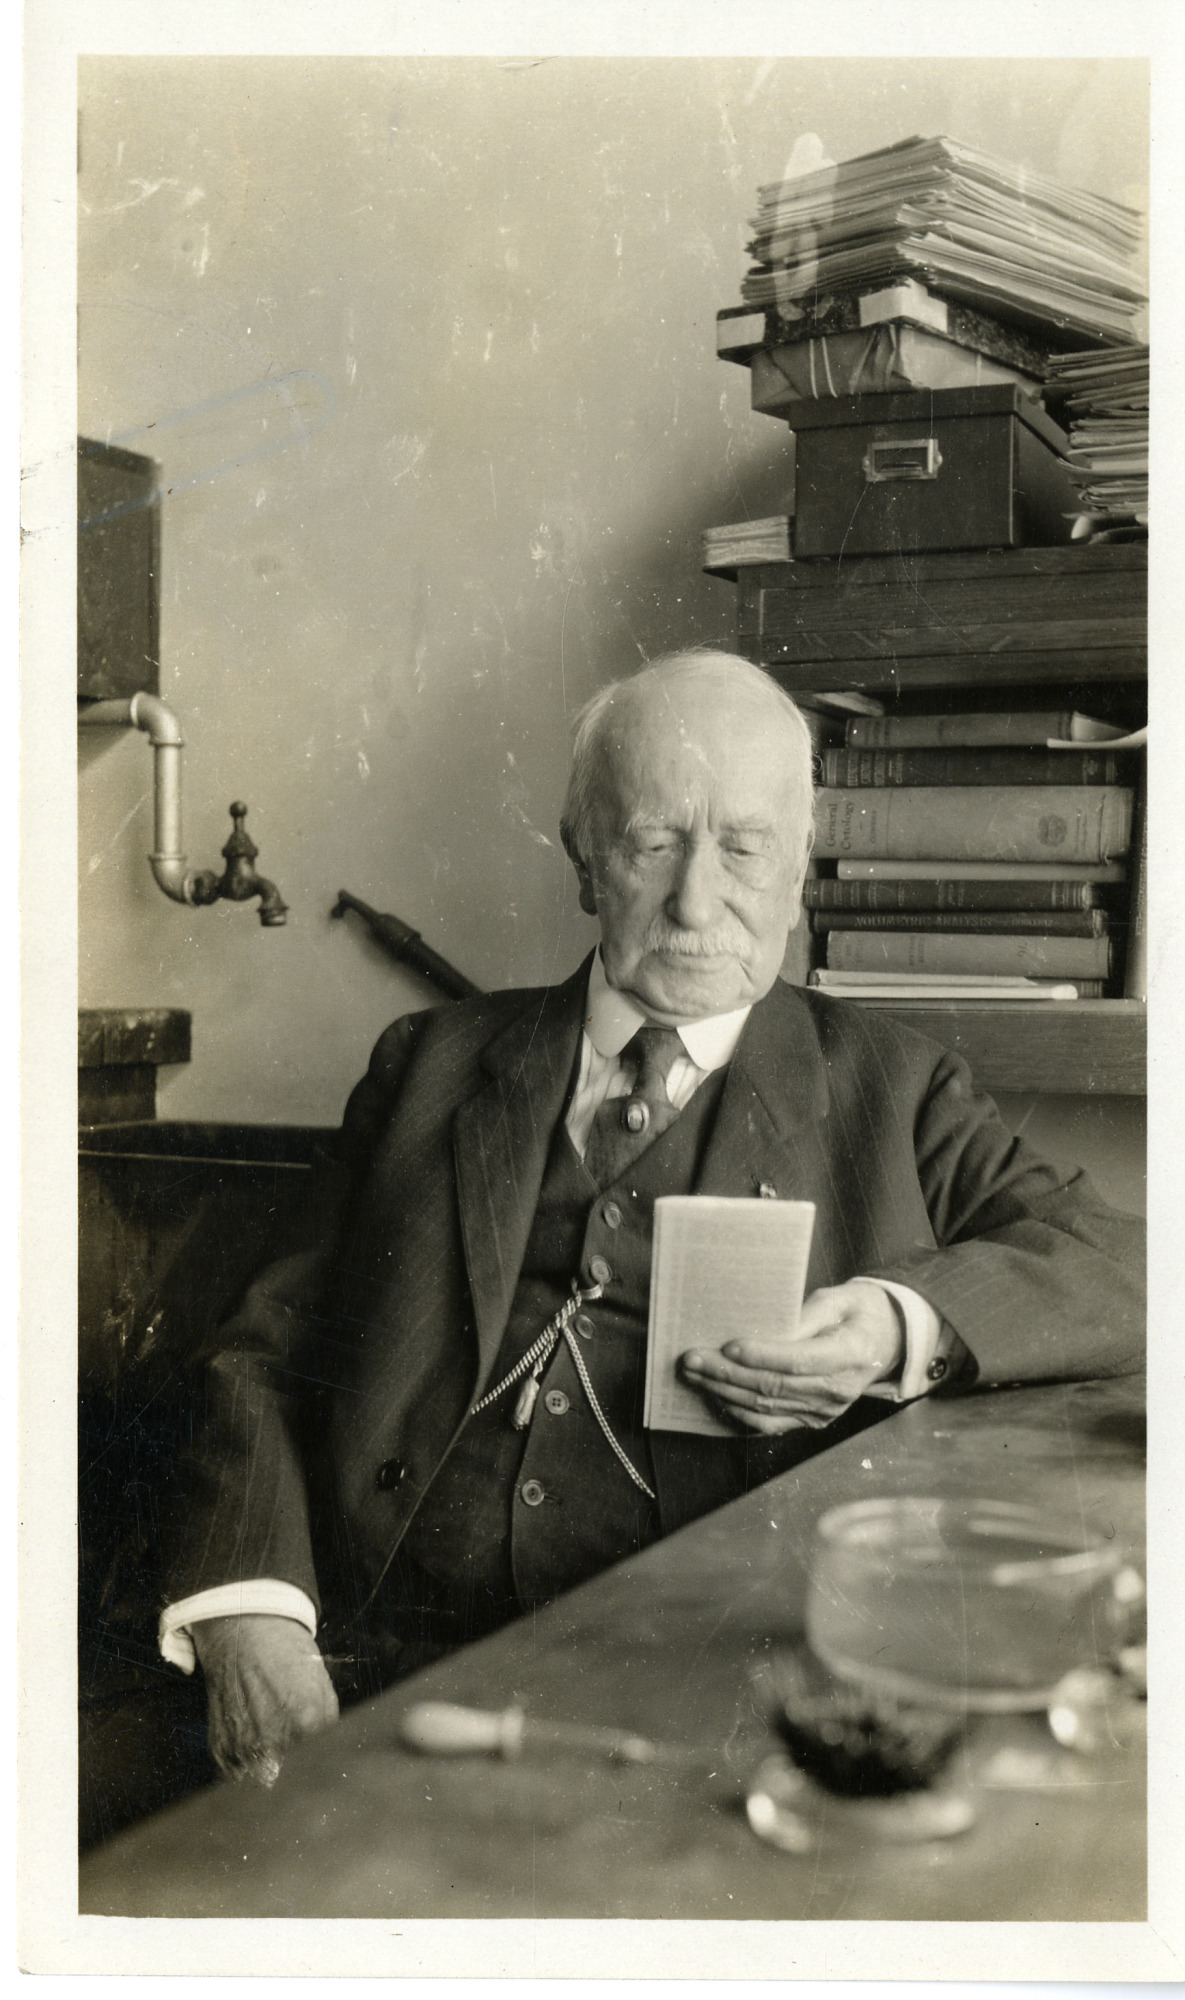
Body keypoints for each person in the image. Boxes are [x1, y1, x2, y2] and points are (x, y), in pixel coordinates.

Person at [161, 650, 1144, 1785]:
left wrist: (894, 1324)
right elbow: (264, 1351)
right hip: (375, 1661)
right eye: (653, 843)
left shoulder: (897, 1088)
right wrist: (251, 1618)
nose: (695, 901)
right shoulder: (426, 1064)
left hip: (706, 1692)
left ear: (800, 868)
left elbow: (1125, 1262)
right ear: (584, 859)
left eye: (744, 847)